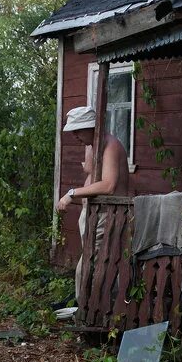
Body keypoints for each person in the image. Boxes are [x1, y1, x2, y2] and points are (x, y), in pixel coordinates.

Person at [56, 106, 129, 309]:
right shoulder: (94, 145)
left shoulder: (111, 146)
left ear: (92, 127)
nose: (75, 135)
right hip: (93, 214)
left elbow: (108, 185)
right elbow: (90, 168)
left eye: (78, 130)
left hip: (108, 215)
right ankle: (90, 310)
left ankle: (92, 312)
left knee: (91, 266)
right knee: (91, 264)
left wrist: (72, 193)